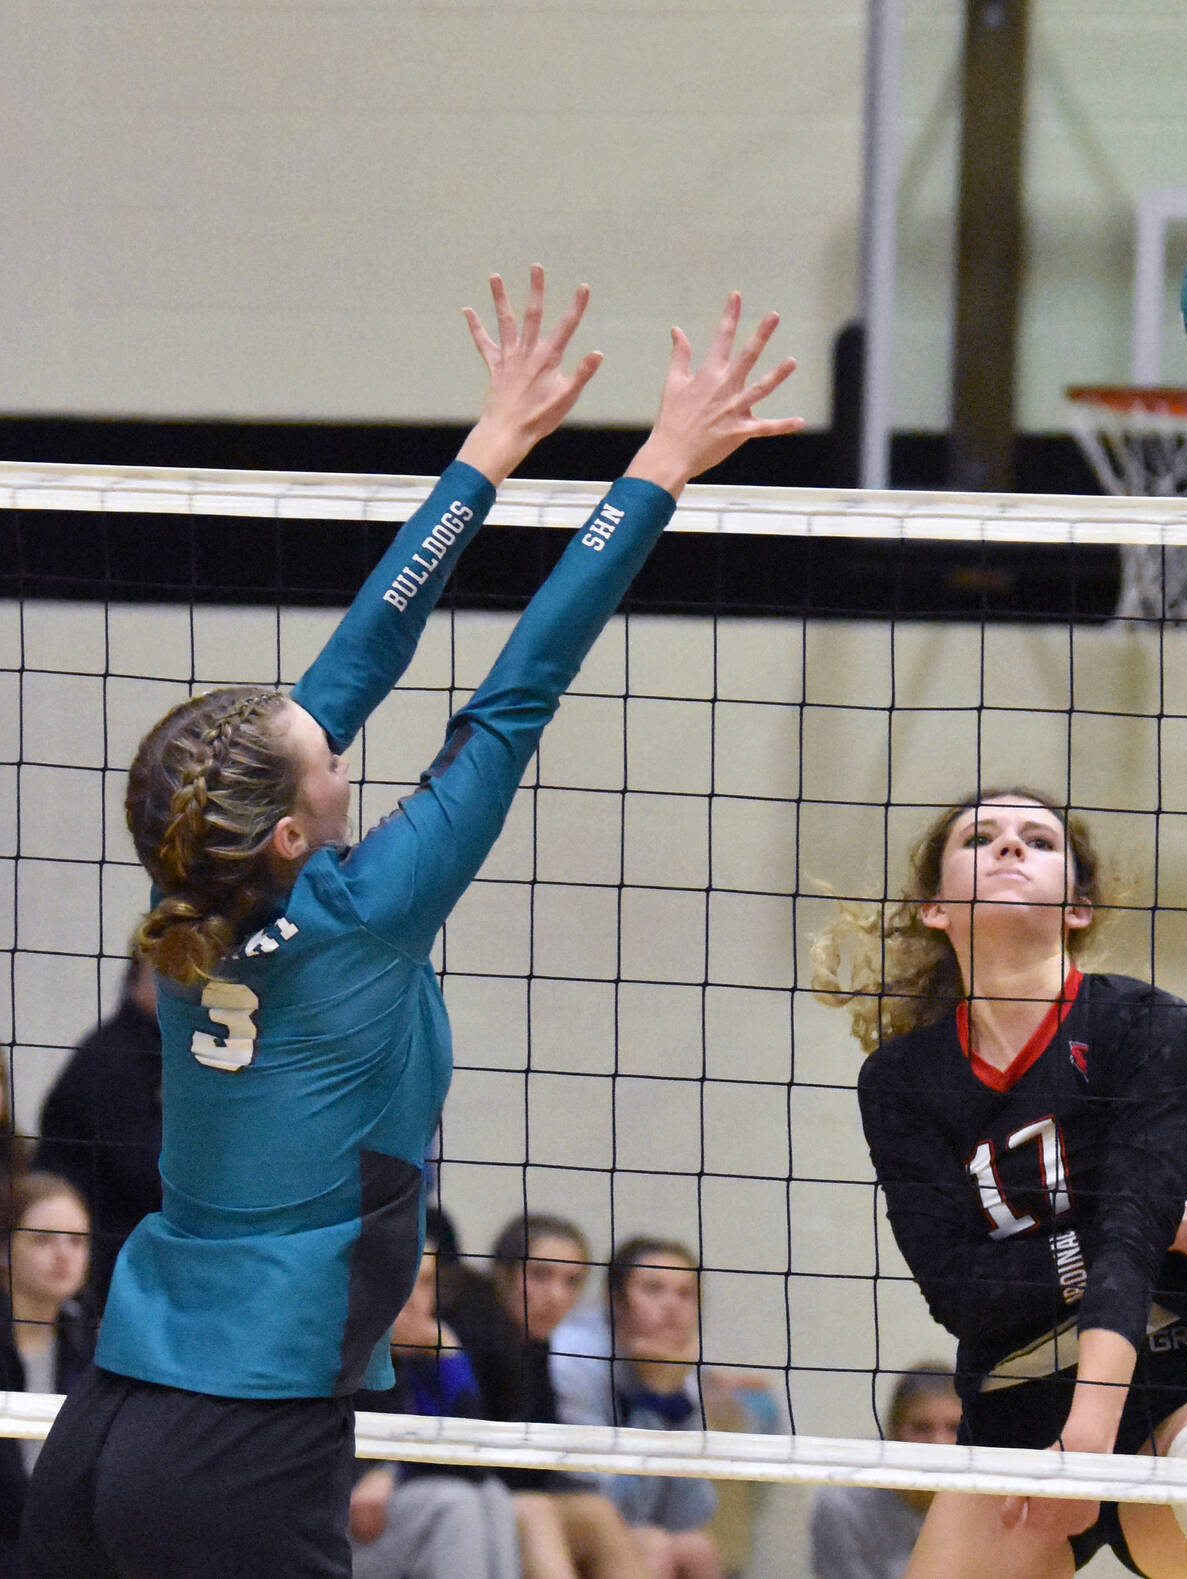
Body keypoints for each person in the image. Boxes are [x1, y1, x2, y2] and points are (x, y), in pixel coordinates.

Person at [22, 269, 801, 1579]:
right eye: (314, 745)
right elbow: (515, 693)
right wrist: (661, 462)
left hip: (109, 1416)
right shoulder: (364, 910)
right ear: (293, 826)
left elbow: (362, 655)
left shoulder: (189, 881)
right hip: (241, 1437)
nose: (330, 729)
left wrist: (491, 447)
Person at [813, 789, 1187, 1579]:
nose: (1011, 846)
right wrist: (1157, 1225)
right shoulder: (903, 1082)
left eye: (1038, 839)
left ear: (1077, 907)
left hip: (1169, 1380)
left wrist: (1090, 1436)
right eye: (982, 837)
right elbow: (962, 1291)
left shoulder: (1143, 1026)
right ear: (936, 908)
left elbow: (1124, 1245)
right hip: (1012, 1408)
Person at [447, 1214, 648, 1579]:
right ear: (505, 1274)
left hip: (508, 1496)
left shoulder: (535, 1346)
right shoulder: (469, 1330)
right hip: (451, 1493)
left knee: (597, 1512)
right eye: (540, 1275)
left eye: (572, 1282)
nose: (557, 1296)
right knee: (538, 1513)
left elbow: (542, 1462)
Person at [551, 1239, 726, 1579]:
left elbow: (690, 1513)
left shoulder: (676, 1368)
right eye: (653, 1289)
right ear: (615, 1300)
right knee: (651, 1544)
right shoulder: (573, 1358)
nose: (672, 1307)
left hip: (623, 1518)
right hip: (561, 1509)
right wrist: (655, 1396)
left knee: (697, 1548)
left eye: (685, 1294)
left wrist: (669, 1393)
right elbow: (612, 1506)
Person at [350, 1250, 519, 1579]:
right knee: (455, 1504)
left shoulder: (420, 1358)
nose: (414, 1301)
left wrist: (449, 1354)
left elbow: (474, 1458)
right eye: (402, 1281)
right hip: (323, 1524)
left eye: (425, 1282)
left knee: (493, 1495)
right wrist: (387, 1470)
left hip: (385, 1511)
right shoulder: (339, 1353)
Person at [33, 948, 162, 1311]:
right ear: (138, 976)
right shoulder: (111, 1060)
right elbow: (150, 1176)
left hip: (116, 1265)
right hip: (92, 1277)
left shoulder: (158, 1053)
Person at [0, 1176, 96, 1579]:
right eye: (42, 1239)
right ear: (4, 1250)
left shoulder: (94, 1346)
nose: (63, 1254)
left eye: (76, 1241)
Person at [807, 1364, 960, 1579]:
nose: (939, 1443)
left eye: (954, 1428)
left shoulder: (993, 1495)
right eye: (921, 1427)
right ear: (893, 1431)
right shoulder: (843, 1502)